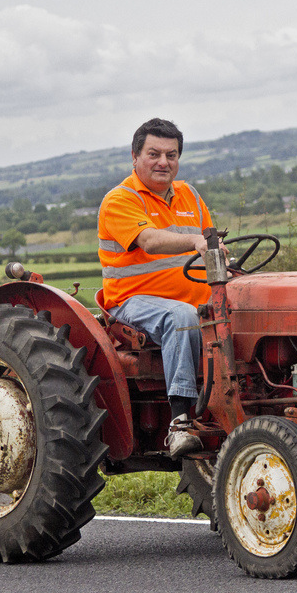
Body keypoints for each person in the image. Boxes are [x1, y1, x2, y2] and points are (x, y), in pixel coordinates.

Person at [97, 118, 224, 456]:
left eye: (171, 155)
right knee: (180, 317)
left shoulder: (189, 195)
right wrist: (195, 241)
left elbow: (209, 246)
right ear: (135, 156)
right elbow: (150, 241)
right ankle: (180, 422)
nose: (163, 162)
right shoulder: (120, 200)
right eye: (154, 154)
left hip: (196, 300)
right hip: (133, 302)